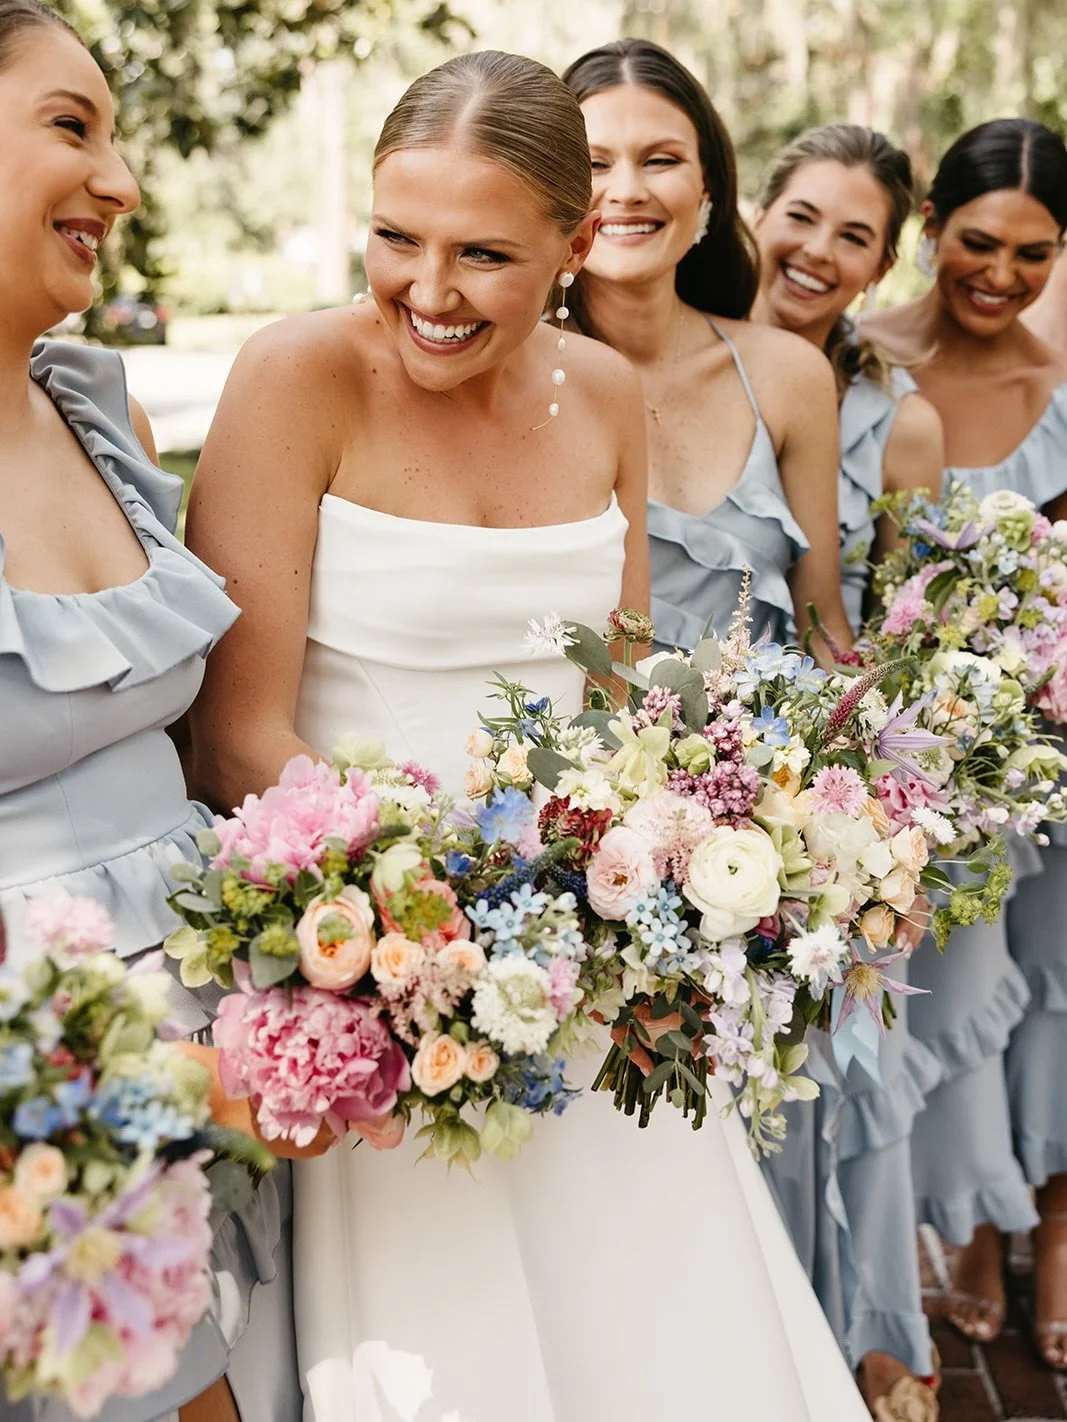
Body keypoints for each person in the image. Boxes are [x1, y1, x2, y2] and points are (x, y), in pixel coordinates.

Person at [186, 48, 868, 1421]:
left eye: (481, 255)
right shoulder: (292, 375)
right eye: (394, 239)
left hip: (585, 969)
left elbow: (612, 695)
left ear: (570, 242)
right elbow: (235, 737)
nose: (426, 294)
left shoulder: (602, 395)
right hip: (379, 972)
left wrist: (663, 856)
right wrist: (441, 922)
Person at [0, 4, 301, 1417]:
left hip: (231, 1068)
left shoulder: (90, 398)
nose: (122, 181)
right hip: (53, 1137)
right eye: (72, 126)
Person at [863, 116, 1067, 1372]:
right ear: (929, 229)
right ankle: (972, 1229)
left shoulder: (1065, 389)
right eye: (974, 242)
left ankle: (1051, 1227)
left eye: (1033, 253)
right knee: (960, 1000)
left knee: (1052, 994)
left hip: (1045, 745)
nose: (998, 273)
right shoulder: (861, 362)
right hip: (916, 755)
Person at [750, 122, 945, 1420]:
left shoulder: (893, 417)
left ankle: (854, 1347)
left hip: (819, 769)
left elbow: (887, 629)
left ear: (879, 266)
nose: (818, 250)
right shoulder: (660, 363)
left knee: (846, 1066)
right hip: (668, 744)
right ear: (754, 211)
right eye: (801, 215)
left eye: (853, 235)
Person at [559, 37, 854, 662]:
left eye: (661, 161)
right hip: (569, 749)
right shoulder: (514, 375)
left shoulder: (790, 374)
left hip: (769, 752)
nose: (628, 191)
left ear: (707, 187)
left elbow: (823, 629)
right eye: (594, 164)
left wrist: (889, 745)